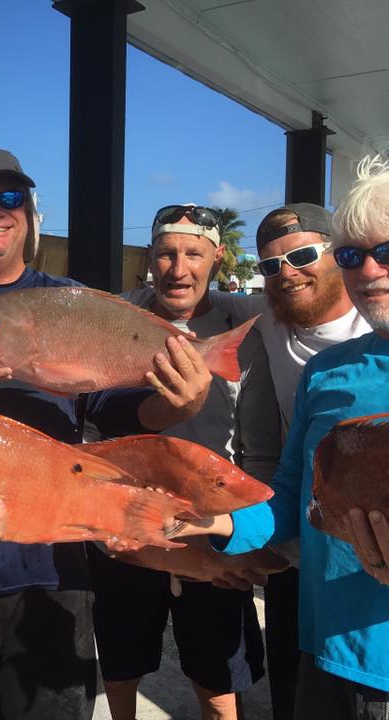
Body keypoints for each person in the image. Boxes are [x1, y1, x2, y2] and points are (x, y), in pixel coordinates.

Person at [0, 147, 213, 720]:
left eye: (11, 198)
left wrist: (184, 403)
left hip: (56, 566)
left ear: (30, 212)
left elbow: (119, 410)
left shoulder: (66, 296)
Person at [180, 155, 389, 719]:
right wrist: (215, 522)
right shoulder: (328, 371)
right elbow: (296, 492)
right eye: (354, 255)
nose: (369, 270)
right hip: (327, 644)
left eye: (385, 251)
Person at [89, 204, 280, 720]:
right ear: (150, 258)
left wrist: (243, 534)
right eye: (166, 253)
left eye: (193, 253)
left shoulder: (244, 321)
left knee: (217, 673)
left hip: (208, 521)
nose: (179, 268)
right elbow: (94, 409)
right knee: (121, 658)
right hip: (128, 520)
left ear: (217, 259)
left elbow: (258, 440)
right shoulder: (119, 312)